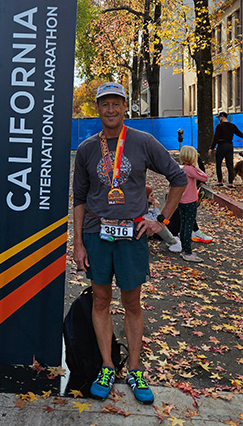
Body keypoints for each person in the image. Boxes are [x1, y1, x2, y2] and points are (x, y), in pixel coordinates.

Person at [73, 81, 187, 404]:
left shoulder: (142, 142)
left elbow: (178, 178)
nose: (110, 110)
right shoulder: (86, 150)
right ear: (97, 109)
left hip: (132, 236)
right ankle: (108, 366)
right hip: (97, 233)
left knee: (133, 303)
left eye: (116, 104)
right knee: (99, 300)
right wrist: (78, 242)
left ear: (125, 107)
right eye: (104, 104)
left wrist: (160, 221)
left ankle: (135, 370)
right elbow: (78, 198)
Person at [178, 146, 208, 262]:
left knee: (183, 224)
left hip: (182, 200)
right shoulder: (190, 169)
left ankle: (183, 248)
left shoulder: (182, 168)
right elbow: (204, 177)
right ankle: (188, 252)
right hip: (190, 201)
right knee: (188, 226)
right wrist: (197, 167)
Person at [208, 112, 243, 188]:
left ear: (222, 117)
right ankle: (230, 182)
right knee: (229, 164)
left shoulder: (219, 126)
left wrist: (211, 148)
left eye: (219, 117)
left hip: (221, 146)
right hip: (230, 146)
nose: (219, 119)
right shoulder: (232, 126)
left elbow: (216, 138)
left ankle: (220, 181)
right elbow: (240, 134)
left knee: (218, 164)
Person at [144, 186, 182, 252]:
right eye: (151, 195)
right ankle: (173, 242)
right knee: (159, 223)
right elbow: (156, 221)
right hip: (146, 231)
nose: (153, 197)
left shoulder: (144, 207)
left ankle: (173, 238)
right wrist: (156, 208)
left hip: (149, 230)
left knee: (171, 216)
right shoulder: (141, 209)